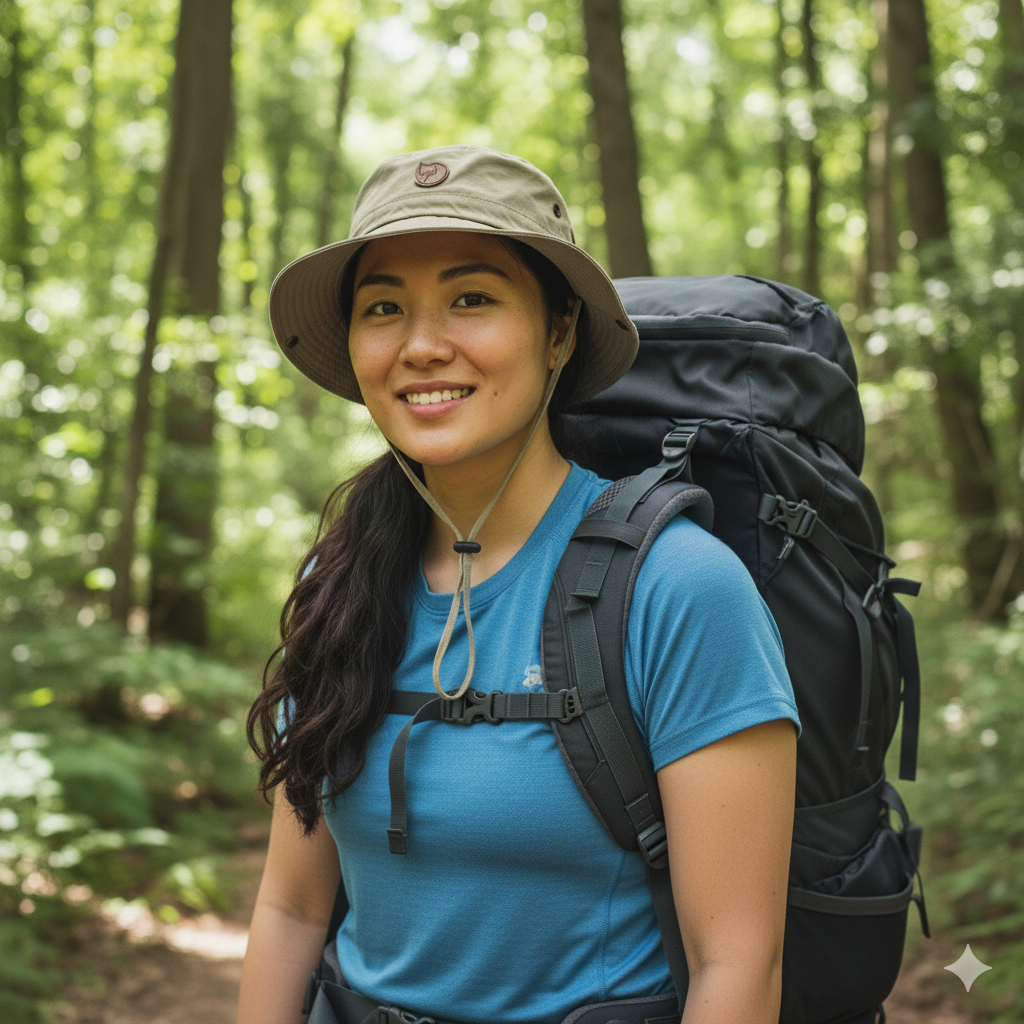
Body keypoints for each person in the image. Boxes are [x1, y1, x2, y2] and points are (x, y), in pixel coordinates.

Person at [238, 145, 800, 1024]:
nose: (422, 346)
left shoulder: (678, 590)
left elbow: (737, 965)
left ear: (560, 332)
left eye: (472, 298)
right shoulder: (340, 583)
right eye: (383, 308)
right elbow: (292, 908)